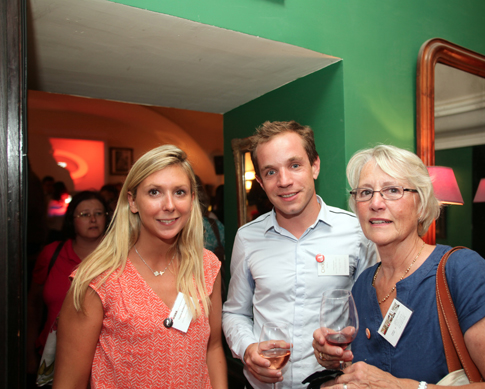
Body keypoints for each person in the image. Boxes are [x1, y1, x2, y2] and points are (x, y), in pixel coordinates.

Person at [312, 145, 485, 388]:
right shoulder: (362, 285)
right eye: (365, 192)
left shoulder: (462, 271)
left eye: (392, 190)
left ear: (421, 205)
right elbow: (372, 371)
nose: (376, 202)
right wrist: (336, 362)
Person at [53, 145, 227, 389]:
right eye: (154, 192)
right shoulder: (97, 279)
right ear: (132, 201)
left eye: (179, 192)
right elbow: (69, 383)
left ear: (192, 199)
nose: (169, 205)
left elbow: (214, 347)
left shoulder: (206, 266)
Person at [222, 121, 376, 389]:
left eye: (295, 165)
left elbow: (372, 314)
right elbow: (235, 312)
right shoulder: (247, 238)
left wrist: (348, 354)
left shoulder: (357, 232)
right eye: (270, 172)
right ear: (260, 181)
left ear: (314, 166)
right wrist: (248, 349)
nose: (284, 181)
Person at [27, 191, 109, 382]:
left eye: (98, 213)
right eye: (85, 214)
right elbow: (33, 305)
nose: (93, 219)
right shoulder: (51, 254)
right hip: (52, 355)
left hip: (103, 362)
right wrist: (29, 353)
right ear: (72, 220)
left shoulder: (120, 257)